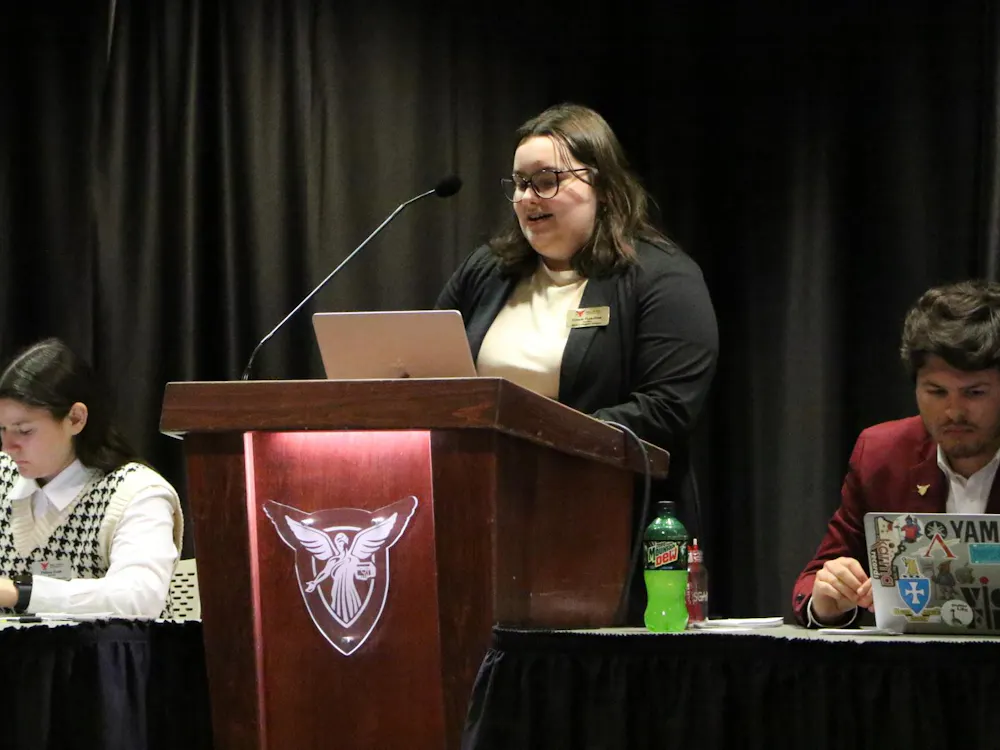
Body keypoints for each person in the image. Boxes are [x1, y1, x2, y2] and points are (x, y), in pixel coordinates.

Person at [436, 103, 718, 619]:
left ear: (604, 187)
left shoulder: (661, 278)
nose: (526, 198)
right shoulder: (488, 271)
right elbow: (432, 371)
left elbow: (668, 410)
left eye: (546, 180)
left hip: (610, 530)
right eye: (520, 183)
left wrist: (541, 437)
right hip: (481, 520)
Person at [792, 280, 1000, 627]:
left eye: (975, 393)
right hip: (912, 673)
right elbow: (814, 582)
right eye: (936, 391)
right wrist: (828, 600)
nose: (954, 412)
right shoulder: (882, 454)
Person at [0, 338, 183, 617]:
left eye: (24, 431)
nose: (8, 446)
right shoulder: (4, 474)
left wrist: (19, 593)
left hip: (109, 658)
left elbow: (140, 598)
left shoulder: (136, 492)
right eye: (2, 429)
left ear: (75, 418)